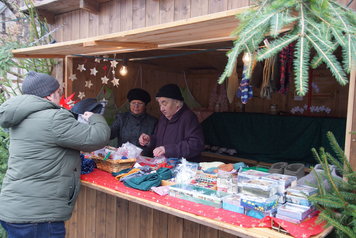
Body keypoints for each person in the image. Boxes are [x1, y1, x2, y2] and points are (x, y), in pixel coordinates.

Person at [0, 71, 110, 238]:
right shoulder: (53, 118)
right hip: (38, 216)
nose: (60, 96)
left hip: (15, 209)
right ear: (50, 95)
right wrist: (95, 118)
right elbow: (97, 138)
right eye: (59, 92)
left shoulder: (21, 115)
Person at [139, 84, 204, 162]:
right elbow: (158, 139)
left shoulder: (188, 117)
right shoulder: (163, 118)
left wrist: (167, 150)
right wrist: (149, 140)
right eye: (160, 104)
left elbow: (195, 145)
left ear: (176, 102)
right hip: (164, 165)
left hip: (183, 168)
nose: (161, 108)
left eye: (164, 103)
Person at [110, 88, 157, 156]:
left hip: (144, 159)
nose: (136, 106)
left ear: (145, 105)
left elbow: (156, 142)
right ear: (129, 104)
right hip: (122, 158)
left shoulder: (153, 122)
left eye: (140, 103)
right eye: (133, 103)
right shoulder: (121, 118)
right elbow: (110, 134)